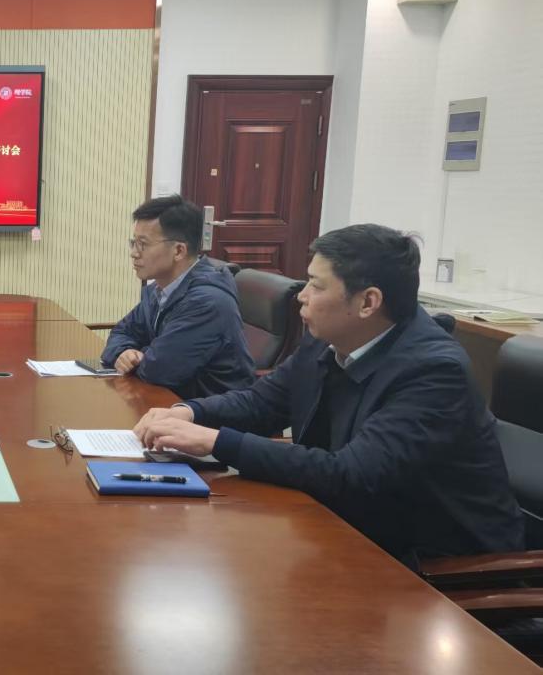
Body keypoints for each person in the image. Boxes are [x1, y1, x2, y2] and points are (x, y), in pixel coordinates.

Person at [134, 224, 523, 567]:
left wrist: (217, 442)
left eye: (316, 286)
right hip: (347, 530)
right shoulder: (329, 338)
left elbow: (352, 475)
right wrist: (189, 412)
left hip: (432, 567)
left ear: (367, 302)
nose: (301, 296)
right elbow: (262, 403)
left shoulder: (433, 372)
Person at [100, 195, 254, 398]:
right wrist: (124, 352)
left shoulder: (207, 302)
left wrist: (139, 357)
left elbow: (158, 370)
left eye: (143, 244)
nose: (134, 253)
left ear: (179, 251)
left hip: (209, 411)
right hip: (170, 401)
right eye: (133, 243)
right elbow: (121, 332)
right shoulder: (159, 290)